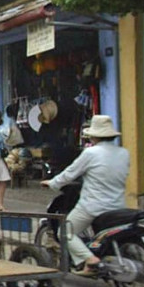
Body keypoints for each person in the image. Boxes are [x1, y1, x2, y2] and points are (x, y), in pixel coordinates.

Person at [41, 115, 129, 275]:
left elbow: (70, 173)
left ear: (94, 136)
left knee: (66, 231)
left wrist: (52, 183)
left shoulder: (91, 153)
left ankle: (90, 260)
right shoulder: (124, 153)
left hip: (93, 205)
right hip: (117, 205)